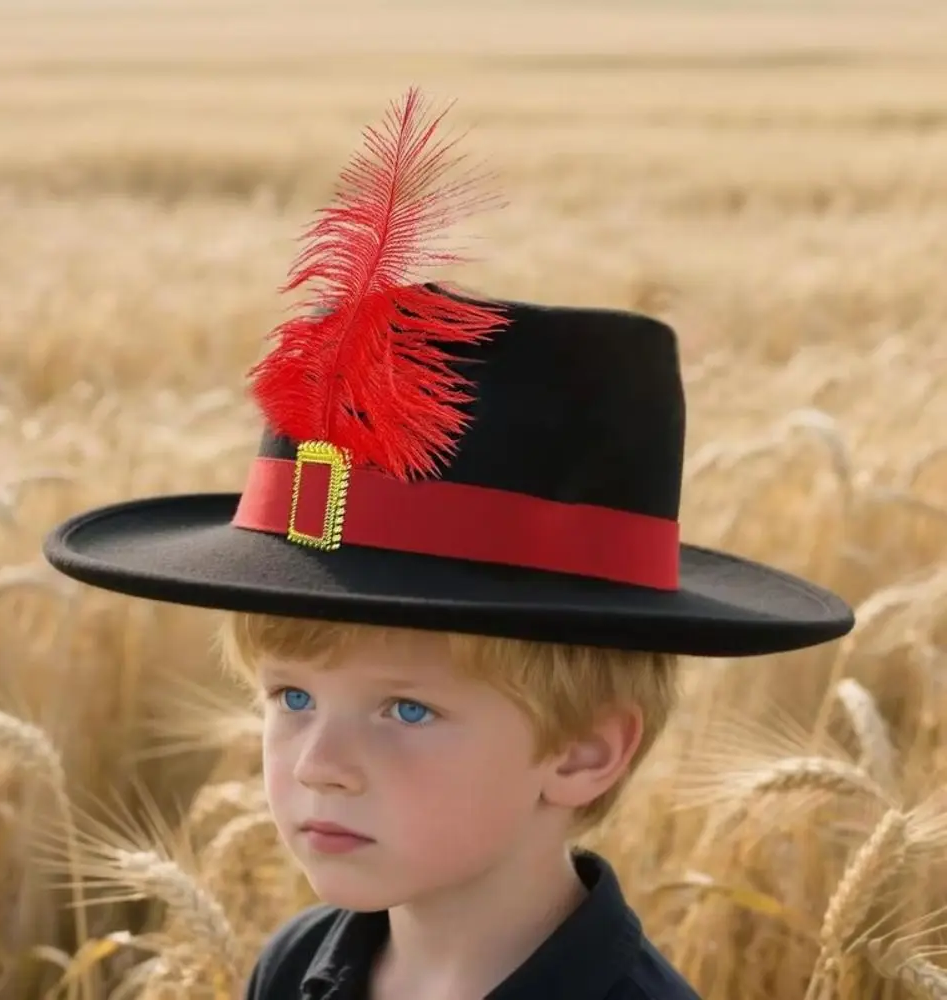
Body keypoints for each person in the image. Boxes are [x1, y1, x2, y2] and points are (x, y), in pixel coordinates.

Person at [43, 89, 855, 1000]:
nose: (318, 766)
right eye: (293, 695)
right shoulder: (300, 964)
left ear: (584, 751)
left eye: (406, 711)